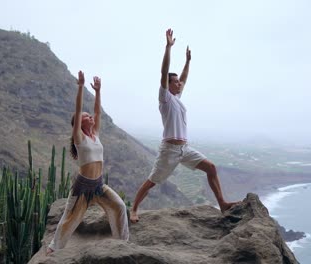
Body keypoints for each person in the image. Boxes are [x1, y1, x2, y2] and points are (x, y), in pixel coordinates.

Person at [130, 29, 238, 223]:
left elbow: (185, 78)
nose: (179, 84)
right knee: (151, 182)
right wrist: (168, 47)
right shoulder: (164, 98)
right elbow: (164, 72)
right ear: (167, 84)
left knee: (211, 168)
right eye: (175, 82)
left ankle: (222, 203)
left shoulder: (177, 98)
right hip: (169, 150)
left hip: (184, 149)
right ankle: (134, 209)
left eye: (179, 82)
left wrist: (188, 62)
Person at [47, 71, 129, 254]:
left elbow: (98, 111)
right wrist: (80, 87)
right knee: (69, 219)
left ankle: (123, 243)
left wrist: (98, 91)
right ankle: (53, 248)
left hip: (99, 185)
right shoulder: (79, 137)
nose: (90, 116)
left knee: (119, 207)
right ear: (78, 122)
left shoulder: (95, 135)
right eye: (86, 116)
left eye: (89, 115)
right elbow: (77, 110)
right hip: (82, 188)